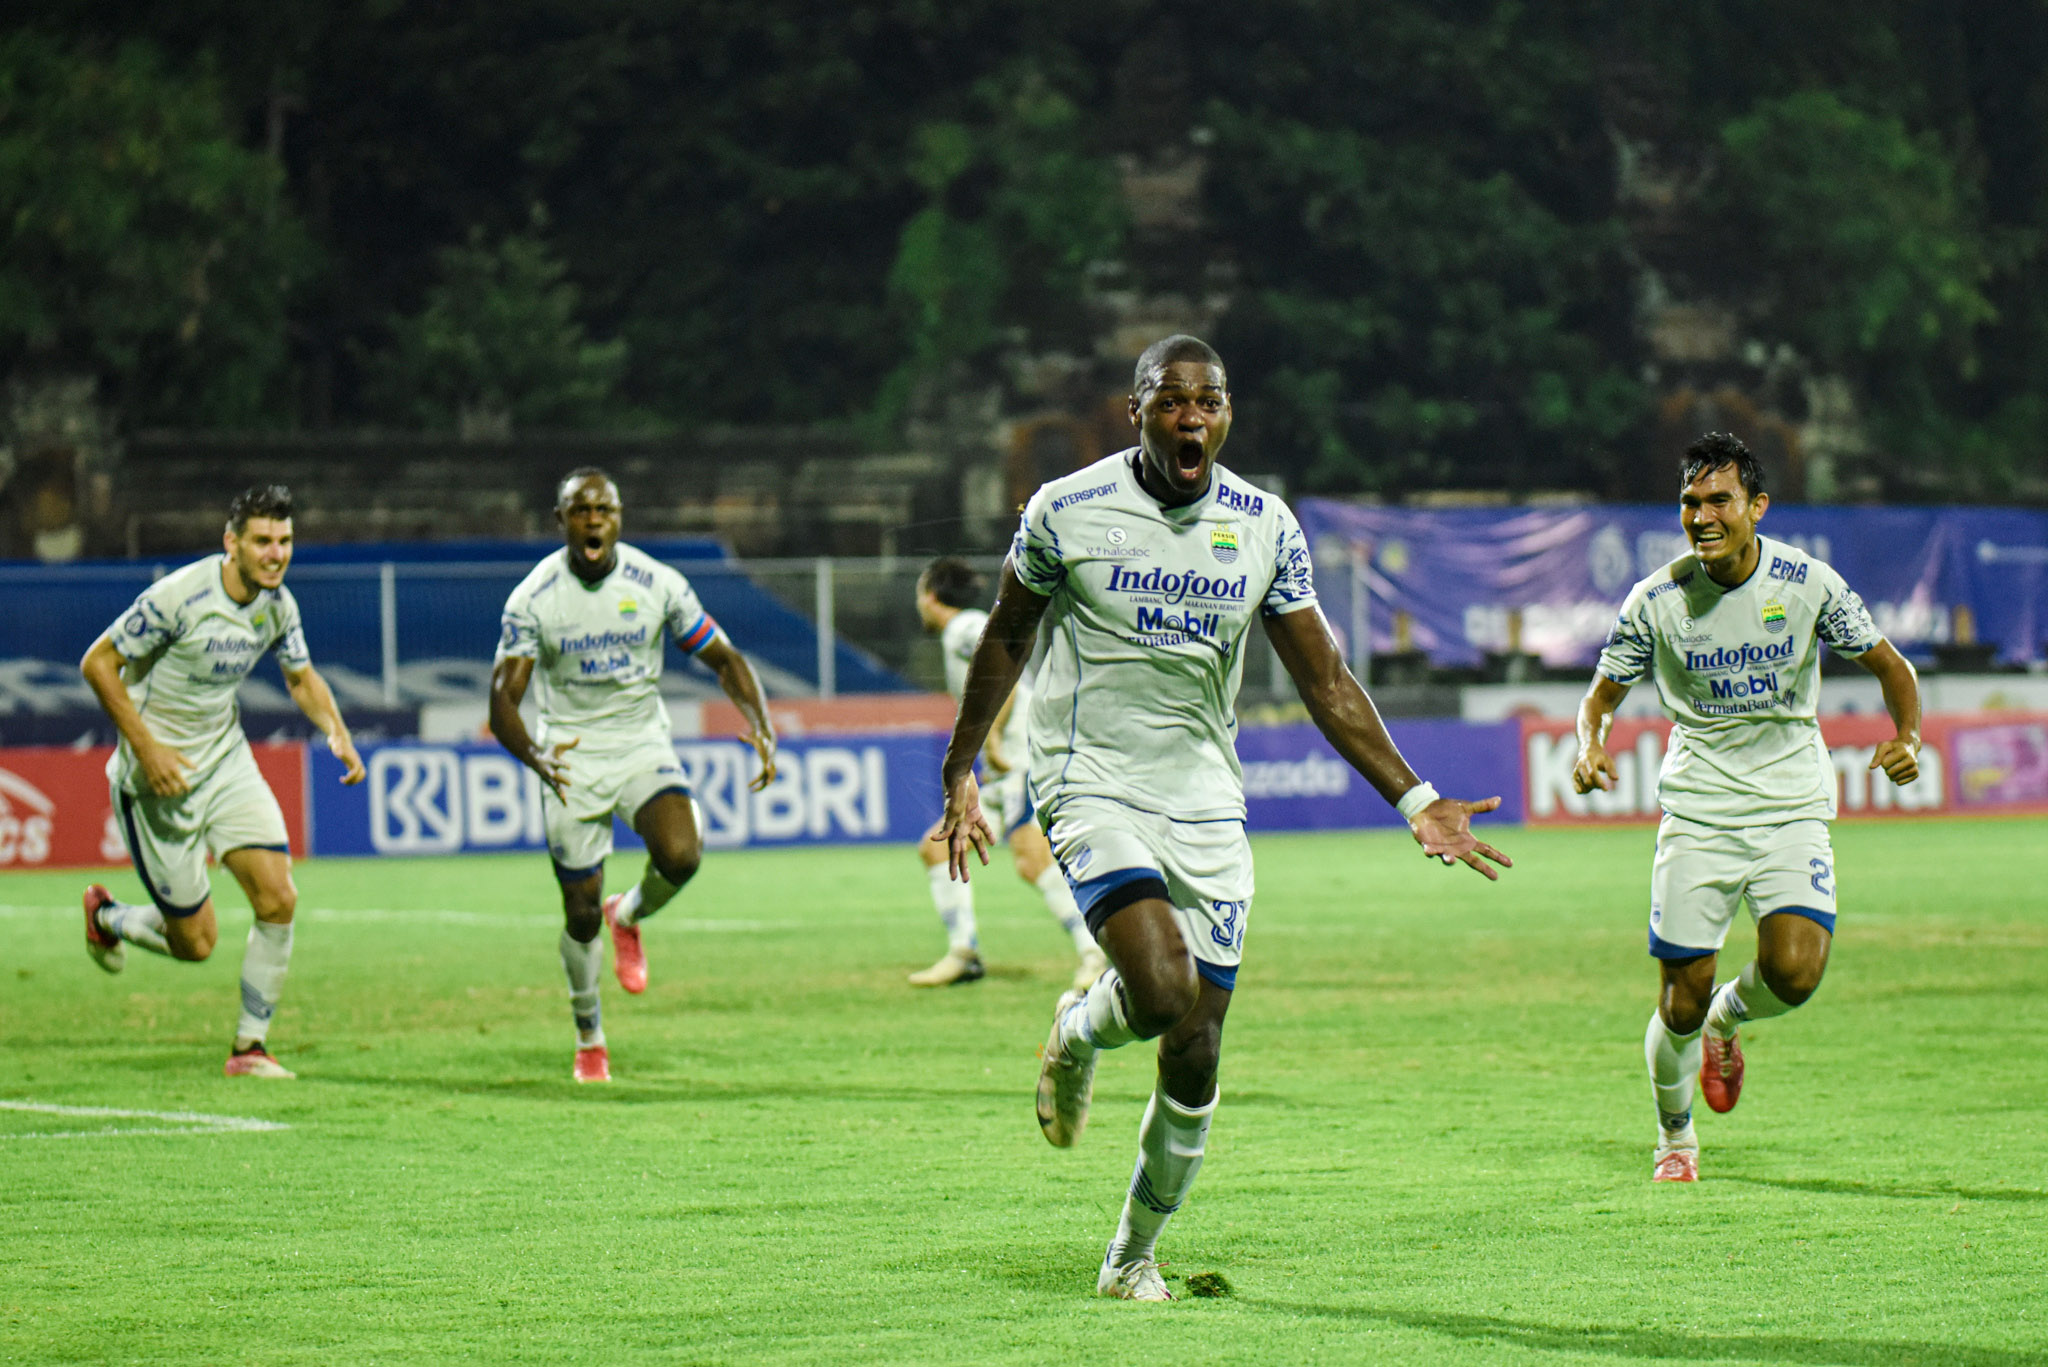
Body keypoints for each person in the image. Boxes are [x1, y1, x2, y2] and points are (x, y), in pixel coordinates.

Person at [935, 335, 1510, 1300]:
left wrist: (1414, 798)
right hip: (1090, 776)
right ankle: (1078, 1032)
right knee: (1159, 989)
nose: (1191, 416)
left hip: (1206, 797)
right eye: (1170, 401)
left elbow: (1323, 677)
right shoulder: (1066, 510)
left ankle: (1130, 1256)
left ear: (1227, 412)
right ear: (1138, 412)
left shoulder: (1265, 524)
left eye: (1208, 401)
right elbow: (1008, 632)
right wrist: (960, 764)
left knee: (1197, 1043)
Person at [1572, 432, 1922, 1183]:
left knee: (1795, 973)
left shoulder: (1806, 583)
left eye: (1719, 500)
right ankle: (1675, 1135)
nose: (1702, 515)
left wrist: (1910, 734)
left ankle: (1733, 1018)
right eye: (1690, 502)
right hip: (1699, 811)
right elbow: (1599, 697)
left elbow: (1891, 666)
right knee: (1680, 999)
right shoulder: (1656, 600)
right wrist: (1590, 744)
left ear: (1756, 507)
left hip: (1792, 801)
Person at [490, 468, 776, 1083]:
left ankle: (632, 914)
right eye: (580, 509)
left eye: (605, 508)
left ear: (619, 518)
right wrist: (536, 758)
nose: (593, 519)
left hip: (642, 743)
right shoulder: (534, 598)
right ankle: (589, 1034)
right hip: (571, 757)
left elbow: (723, 657)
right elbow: (503, 701)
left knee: (682, 854)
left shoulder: (657, 584)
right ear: (561, 521)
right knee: (579, 912)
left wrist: (760, 722)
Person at [78, 484, 366, 1078]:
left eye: (284, 541)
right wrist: (147, 747)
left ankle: (250, 1049)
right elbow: (98, 663)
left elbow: (302, 677)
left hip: (227, 762)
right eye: (263, 541)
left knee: (279, 897)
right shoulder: (179, 597)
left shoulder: (278, 605)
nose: (275, 554)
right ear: (231, 543)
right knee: (197, 944)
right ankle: (107, 917)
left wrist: (336, 731)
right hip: (157, 783)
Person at [909, 556, 1106, 990]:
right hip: (1017, 764)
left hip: (1019, 760)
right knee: (942, 849)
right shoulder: (967, 629)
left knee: (1029, 859)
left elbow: (1008, 678)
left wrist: (992, 738)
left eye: (921, 592)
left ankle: (1097, 955)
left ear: (931, 595)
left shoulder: (963, 629)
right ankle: (965, 953)